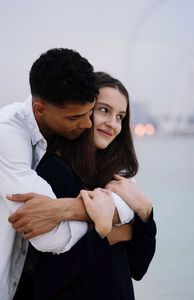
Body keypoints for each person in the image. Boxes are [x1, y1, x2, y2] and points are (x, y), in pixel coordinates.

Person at [29, 72, 156, 299]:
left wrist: (146, 212)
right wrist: (103, 233)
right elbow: (43, 281)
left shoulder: (113, 179)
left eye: (120, 116)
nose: (113, 124)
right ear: (84, 109)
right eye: (104, 110)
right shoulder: (55, 172)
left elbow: (138, 268)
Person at [0, 48, 115, 300]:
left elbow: (130, 195)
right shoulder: (6, 135)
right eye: (75, 117)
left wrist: (63, 209)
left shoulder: (66, 139)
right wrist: (111, 226)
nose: (87, 124)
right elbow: (50, 238)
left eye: (90, 112)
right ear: (39, 109)